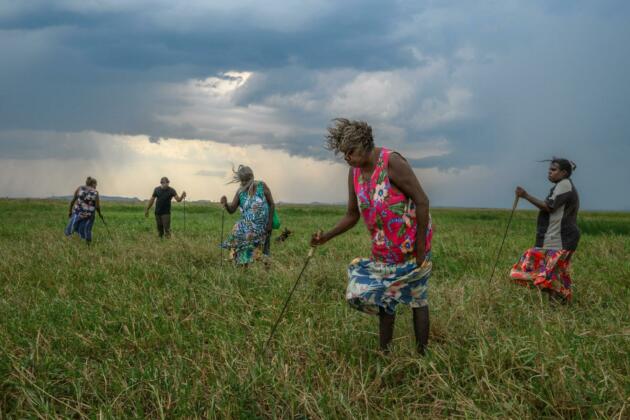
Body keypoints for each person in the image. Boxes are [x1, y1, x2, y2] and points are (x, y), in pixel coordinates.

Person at [311, 118, 433, 354]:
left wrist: (420, 253)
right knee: (384, 299)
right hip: (383, 250)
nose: (346, 157)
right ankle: (385, 352)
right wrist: (326, 237)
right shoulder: (354, 173)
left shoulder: (392, 162)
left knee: (418, 299)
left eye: (350, 151)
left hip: (412, 247)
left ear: (365, 144)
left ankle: (422, 355)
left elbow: (422, 201)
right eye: (343, 153)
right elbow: (351, 215)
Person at [511, 158, 580, 302]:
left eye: (554, 170)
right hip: (557, 237)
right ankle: (558, 305)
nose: (549, 172)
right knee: (555, 272)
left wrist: (526, 195)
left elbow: (549, 206)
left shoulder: (564, 184)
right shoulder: (561, 185)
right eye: (549, 169)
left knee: (551, 271)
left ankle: (559, 304)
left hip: (562, 238)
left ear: (564, 172)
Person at [220, 165, 275, 265]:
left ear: (252, 177)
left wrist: (270, 223)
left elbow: (271, 204)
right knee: (243, 248)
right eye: (242, 181)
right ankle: (243, 270)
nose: (244, 183)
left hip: (263, 228)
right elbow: (232, 209)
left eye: (246, 180)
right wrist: (226, 204)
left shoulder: (261, 186)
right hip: (247, 230)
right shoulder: (240, 192)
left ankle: (266, 272)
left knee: (265, 252)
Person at [65, 176, 103, 243]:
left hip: (77, 213)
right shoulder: (95, 192)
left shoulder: (79, 189)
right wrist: (100, 214)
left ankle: (70, 238)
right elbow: (97, 206)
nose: (96, 186)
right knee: (86, 229)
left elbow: (73, 201)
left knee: (72, 226)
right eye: (96, 184)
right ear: (93, 184)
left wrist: (70, 211)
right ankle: (87, 244)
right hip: (89, 215)